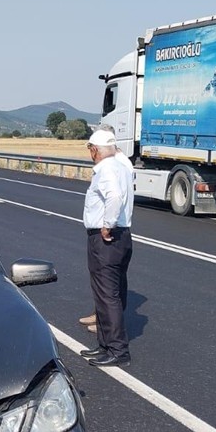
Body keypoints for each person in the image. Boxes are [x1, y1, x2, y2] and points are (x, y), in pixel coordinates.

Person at [79, 129, 135, 367]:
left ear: (95, 150)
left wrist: (106, 225)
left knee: (106, 295)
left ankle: (117, 350)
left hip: (106, 239)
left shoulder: (105, 169)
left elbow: (114, 196)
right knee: (109, 294)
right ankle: (104, 345)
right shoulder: (122, 165)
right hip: (122, 237)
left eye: (91, 149)